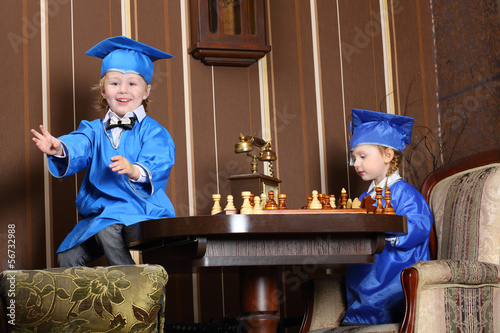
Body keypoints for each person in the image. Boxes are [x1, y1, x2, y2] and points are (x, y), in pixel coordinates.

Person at [31, 36, 176, 267]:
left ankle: (135, 288)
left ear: (146, 91)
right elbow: (79, 144)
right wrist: (59, 148)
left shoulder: (153, 131)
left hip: (140, 208)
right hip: (102, 210)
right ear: (103, 90)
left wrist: (133, 170)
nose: (123, 90)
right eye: (115, 83)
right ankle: (90, 302)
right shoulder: (93, 130)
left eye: (132, 83)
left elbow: (159, 160)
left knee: (107, 228)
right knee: (66, 256)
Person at [343, 109, 433, 325]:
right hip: (366, 270)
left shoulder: (406, 193)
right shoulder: (365, 197)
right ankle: (359, 315)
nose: (356, 163)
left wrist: (390, 231)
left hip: (394, 272)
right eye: (354, 157)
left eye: (362, 156)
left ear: (387, 155)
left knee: (380, 286)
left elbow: (420, 225)